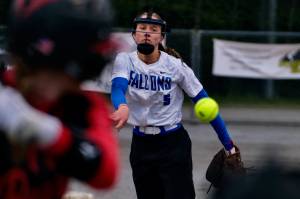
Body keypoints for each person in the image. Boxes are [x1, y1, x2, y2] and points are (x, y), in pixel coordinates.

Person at [110, 10, 239, 199]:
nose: (147, 32)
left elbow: (206, 103)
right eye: (142, 28)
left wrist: (228, 145)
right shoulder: (125, 60)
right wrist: (121, 106)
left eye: (153, 29)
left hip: (173, 145)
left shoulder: (176, 66)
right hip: (141, 146)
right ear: (134, 34)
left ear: (162, 36)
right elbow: (118, 87)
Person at [0, 0, 119, 198]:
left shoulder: (80, 104)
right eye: (68, 73)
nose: (76, 83)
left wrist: (50, 133)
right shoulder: (5, 88)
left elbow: (107, 173)